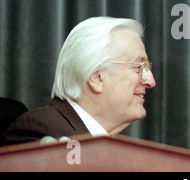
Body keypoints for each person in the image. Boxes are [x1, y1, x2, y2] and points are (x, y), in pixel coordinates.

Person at [4, 17, 156, 145]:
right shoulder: (40, 132)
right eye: (138, 66)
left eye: (147, 67)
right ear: (97, 78)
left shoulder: (113, 146)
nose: (151, 81)